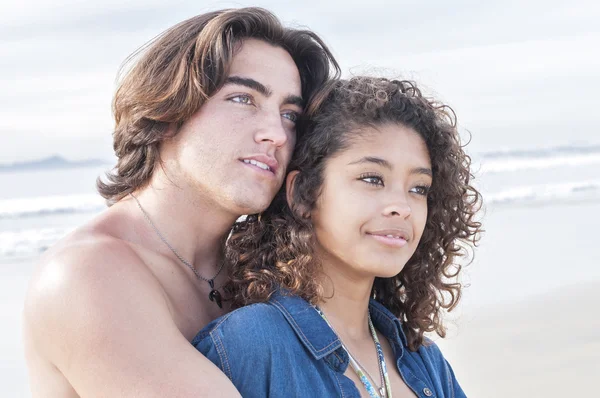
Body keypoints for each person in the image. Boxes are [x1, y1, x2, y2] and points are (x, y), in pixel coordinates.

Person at [22, 7, 339, 397]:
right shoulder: (85, 274)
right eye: (243, 98)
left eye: (290, 114)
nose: (276, 133)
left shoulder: (250, 271)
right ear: (169, 110)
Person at [194, 76, 483, 397]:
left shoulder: (425, 361)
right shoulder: (252, 343)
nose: (402, 207)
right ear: (303, 195)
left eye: (418, 188)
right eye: (372, 178)